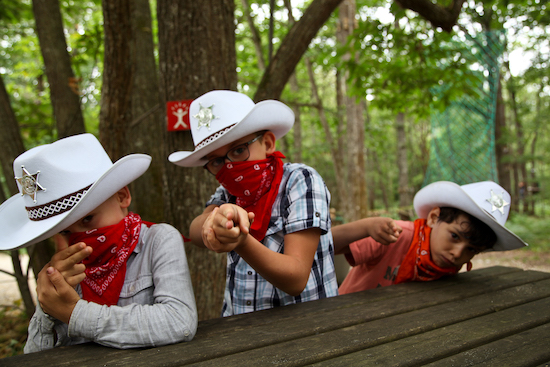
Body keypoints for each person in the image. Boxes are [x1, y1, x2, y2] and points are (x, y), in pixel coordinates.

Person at [0, 133, 197, 352]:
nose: (81, 239)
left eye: (88, 219)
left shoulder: (157, 241)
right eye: (65, 231)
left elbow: (179, 321)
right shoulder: (66, 272)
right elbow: (34, 355)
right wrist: (47, 309)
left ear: (122, 196)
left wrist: (74, 313)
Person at [168, 90, 338, 316]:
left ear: (267, 143)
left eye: (238, 150)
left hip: (306, 328)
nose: (229, 167)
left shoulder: (301, 181)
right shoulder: (227, 192)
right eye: (217, 161)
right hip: (239, 326)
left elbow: (296, 278)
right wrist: (213, 225)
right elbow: (195, 229)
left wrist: (240, 240)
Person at [332, 181, 528, 294]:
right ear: (433, 218)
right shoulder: (396, 235)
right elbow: (326, 244)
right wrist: (365, 227)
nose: (457, 253)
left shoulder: (448, 263)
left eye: (472, 249)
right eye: (454, 236)